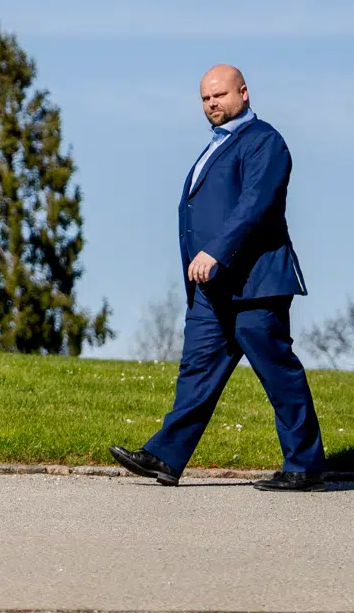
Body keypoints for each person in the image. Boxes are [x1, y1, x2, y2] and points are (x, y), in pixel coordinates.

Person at [111, 65, 327, 491]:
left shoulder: (264, 142)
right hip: (212, 289)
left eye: (220, 96)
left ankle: (305, 466)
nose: (212, 104)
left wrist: (215, 251)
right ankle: (165, 456)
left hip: (255, 285)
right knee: (197, 371)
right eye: (206, 99)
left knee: (277, 372)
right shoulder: (216, 145)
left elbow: (255, 205)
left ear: (243, 93)